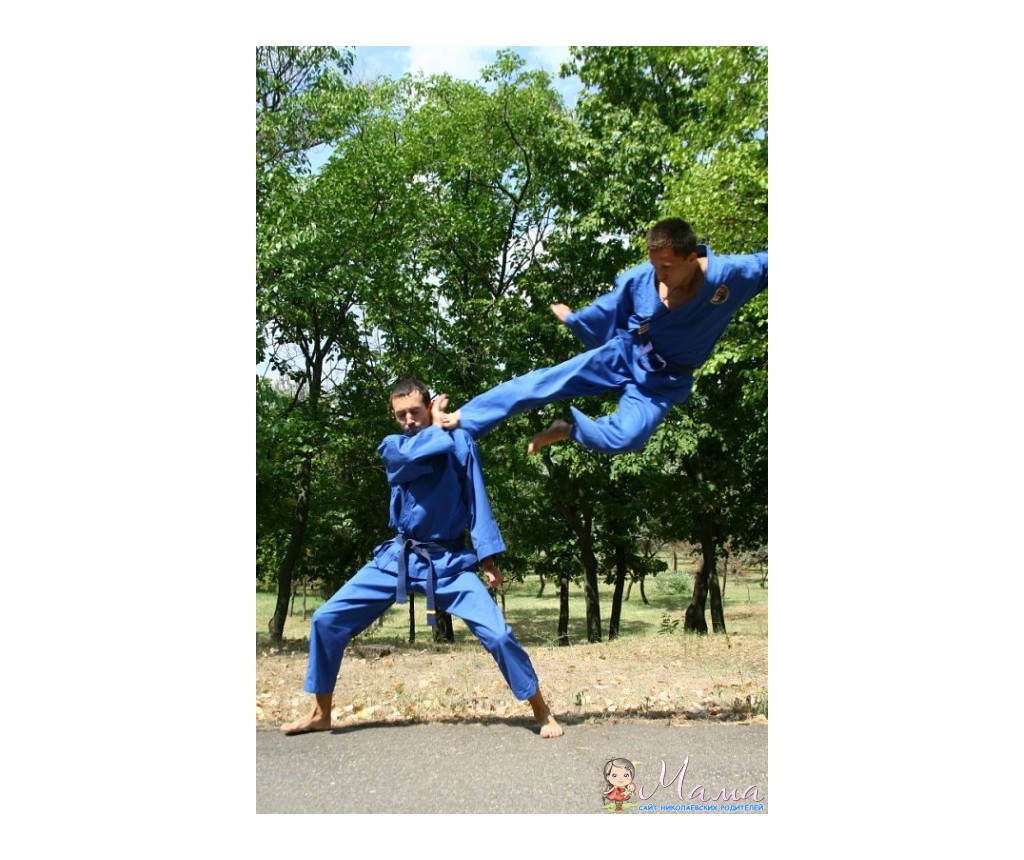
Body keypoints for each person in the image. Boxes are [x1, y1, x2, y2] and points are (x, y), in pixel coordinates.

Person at [280, 378, 563, 739]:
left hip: (448, 562)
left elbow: (476, 499)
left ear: (428, 407)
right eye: (401, 415)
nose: (409, 420)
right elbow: (410, 458)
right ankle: (321, 713)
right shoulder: (394, 446)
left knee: (498, 634)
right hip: (398, 557)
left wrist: (488, 560)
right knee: (325, 619)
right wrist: (439, 424)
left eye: (415, 411)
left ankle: (541, 711)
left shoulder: (460, 442)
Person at [438, 217, 767, 455]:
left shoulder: (731, 276)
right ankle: (466, 417)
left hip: (661, 382)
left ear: (691, 257)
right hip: (626, 353)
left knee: (627, 438)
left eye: (667, 267)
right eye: (654, 266)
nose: (659, 275)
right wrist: (576, 320)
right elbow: (612, 306)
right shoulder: (642, 278)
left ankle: (565, 430)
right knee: (544, 382)